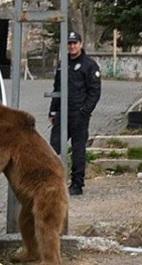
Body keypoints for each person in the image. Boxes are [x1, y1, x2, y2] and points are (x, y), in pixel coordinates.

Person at [48, 31, 102, 196]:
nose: (72, 46)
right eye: (70, 43)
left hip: (79, 115)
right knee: (53, 148)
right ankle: (53, 181)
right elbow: (57, 89)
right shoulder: (62, 64)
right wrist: (53, 110)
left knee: (78, 150)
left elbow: (95, 92)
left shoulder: (89, 65)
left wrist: (84, 111)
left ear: (80, 44)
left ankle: (77, 184)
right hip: (62, 114)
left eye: (75, 43)